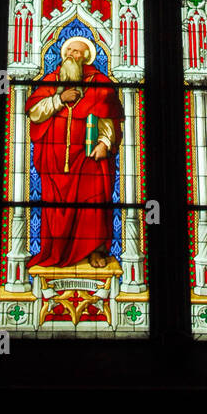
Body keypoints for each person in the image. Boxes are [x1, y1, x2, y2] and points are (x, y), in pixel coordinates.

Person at [26, 36, 125, 269]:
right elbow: (34, 112)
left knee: (93, 202)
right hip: (54, 158)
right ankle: (54, 251)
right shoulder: (51, 80)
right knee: (54, 206)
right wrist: (59, 99)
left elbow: (109, 118)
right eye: (69, 50)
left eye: (77, 52)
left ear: (87, 57)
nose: (71, 54)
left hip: (88, 158)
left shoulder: (99, 82)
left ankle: (95, 250)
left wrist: (105, 143)